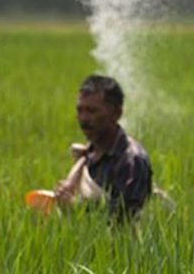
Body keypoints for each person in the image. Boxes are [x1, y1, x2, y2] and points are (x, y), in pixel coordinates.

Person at [53, 75, 153, 222]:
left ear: (116, 114)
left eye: (92, 111)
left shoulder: (131, 161)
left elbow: (126, 217)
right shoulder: (88, 154)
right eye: (80, 110)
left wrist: (76, 206)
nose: (84, 119)